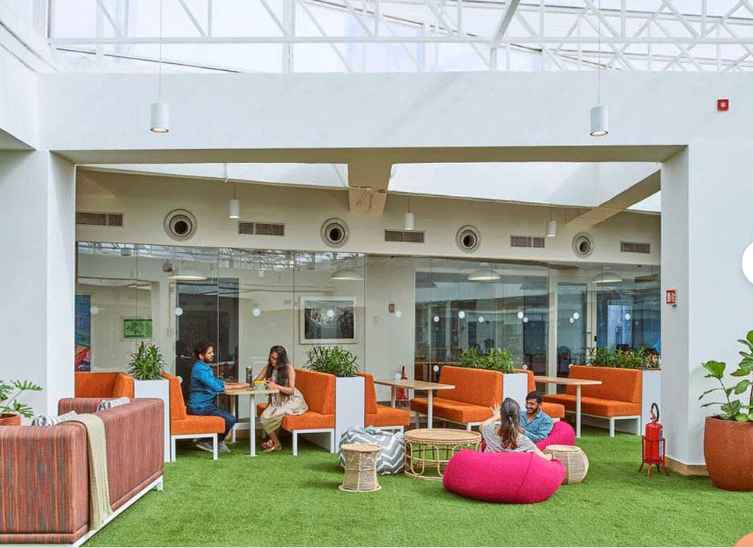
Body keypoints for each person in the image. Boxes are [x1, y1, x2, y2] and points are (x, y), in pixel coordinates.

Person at [187, 341, 236, 455]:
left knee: (228, 417)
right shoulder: (200, 369)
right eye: (209, 353)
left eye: (212, 352)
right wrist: (228, 386)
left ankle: (217, 441)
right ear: (201, 356)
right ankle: (206, 441)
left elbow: (216, 382)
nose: (213, 354)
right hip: (199, 408)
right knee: (230, 419)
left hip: (206, 406)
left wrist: (233, 384)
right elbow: (216, 386)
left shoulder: (204, 367)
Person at [257, 345, 308, 453]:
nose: (273, 361)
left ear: (281, 359)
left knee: (269, 417)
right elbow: (256, 381)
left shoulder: (288, 368)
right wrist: (264, 382)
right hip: (277, 400)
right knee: (264, 417)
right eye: (271, 357)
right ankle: (273, 441)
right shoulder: (269, 367)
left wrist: (276, 386)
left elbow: (291, 390)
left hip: (292, 400)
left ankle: (275, 443)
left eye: (276, 359)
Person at [480, 398, 552, 460]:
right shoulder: (523, 440)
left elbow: (483, 425)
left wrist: (495, 416)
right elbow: (545, 458)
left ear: (501, 415)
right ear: (518, 416)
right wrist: (550, 455)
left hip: (489, 465)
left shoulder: (488, 429)